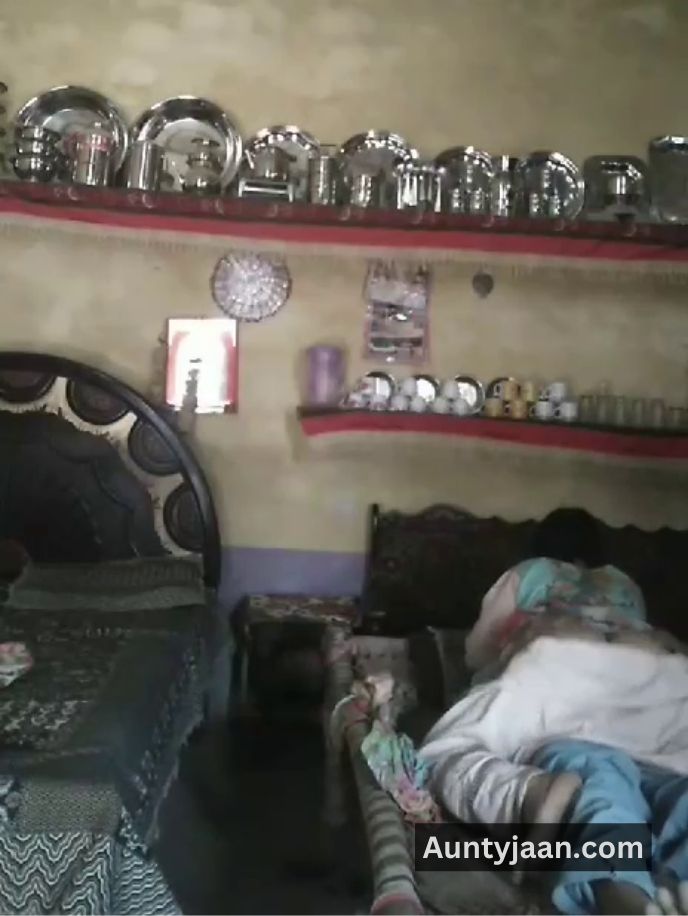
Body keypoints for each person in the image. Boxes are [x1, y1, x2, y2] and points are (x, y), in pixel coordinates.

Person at [422, 507, 688, 915]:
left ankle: (620, 893)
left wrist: (498, 660)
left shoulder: (528, 573)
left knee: (446, 753)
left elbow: (477, 651)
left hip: (556, 661)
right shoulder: (624, 583)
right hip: (657, 675)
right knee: (674, 786)